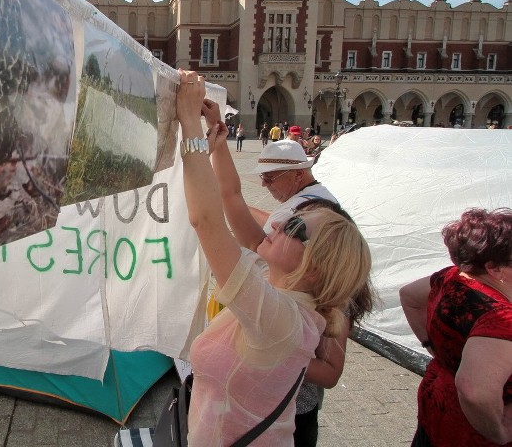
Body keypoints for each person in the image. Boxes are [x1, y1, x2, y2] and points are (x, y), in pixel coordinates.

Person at [176, 70, 372, 446]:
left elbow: (207, 222)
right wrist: (216, 143)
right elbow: (228, 204)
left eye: (296, 229)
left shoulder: (281, 317)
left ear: (313, 266)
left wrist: (190, 125)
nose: (280, 226)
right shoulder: (287, 300)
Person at [399, 208, 512, 447]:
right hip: (471, 433)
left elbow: (408, 296)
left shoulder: (454, 277)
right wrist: (499, 433)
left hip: (436, 408)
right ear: (495, 269)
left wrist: (432, 346)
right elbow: (474, 392)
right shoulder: (502, 320)